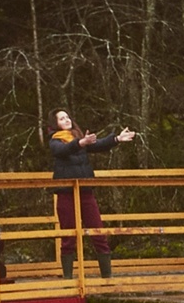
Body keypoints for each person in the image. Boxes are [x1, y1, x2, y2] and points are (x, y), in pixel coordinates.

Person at [48, 108, 135, 281]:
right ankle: (67, 278)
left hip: (85, 191)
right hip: (66, 193)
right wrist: (81, 143)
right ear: (55, 123)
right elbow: (62, 151)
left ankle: (107, 276)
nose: (66, 120)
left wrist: (116, 139)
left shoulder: (78, 138)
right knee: (68, 235)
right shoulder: (55, 140)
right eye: (61, 118)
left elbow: (99, 144)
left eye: (68, 116)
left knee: (98, 231)